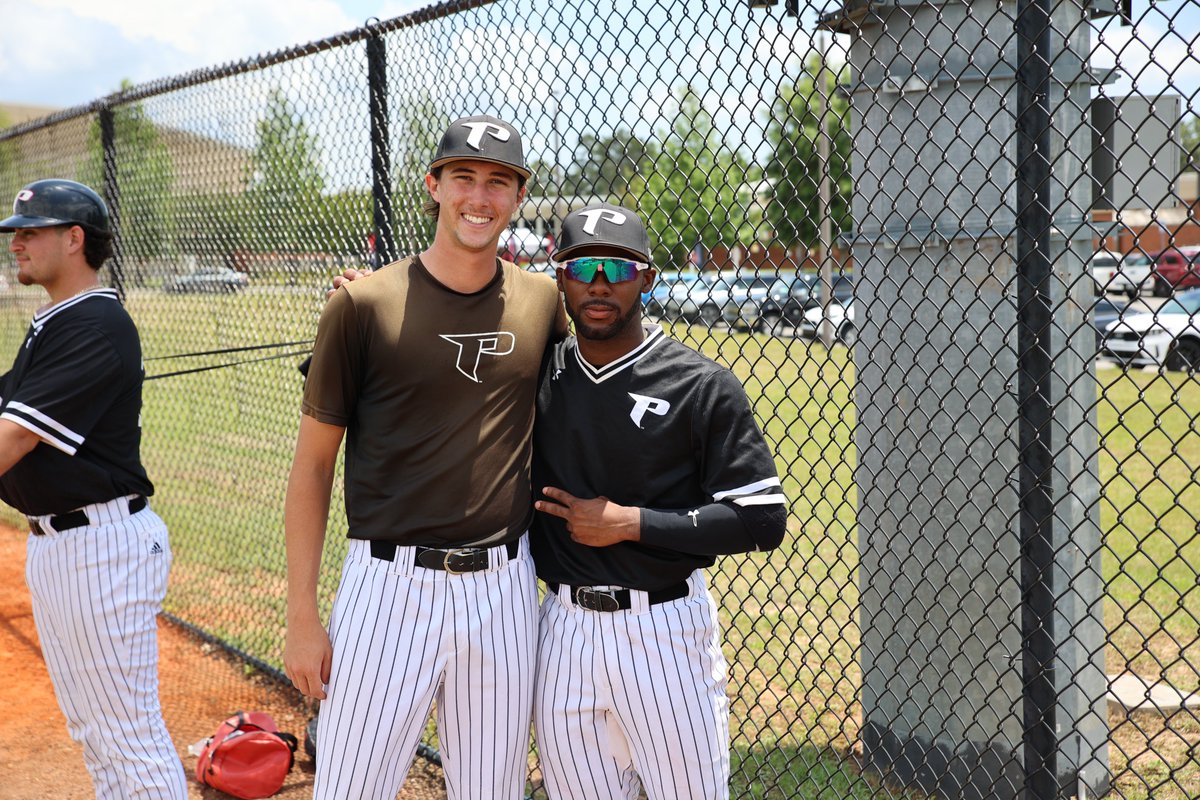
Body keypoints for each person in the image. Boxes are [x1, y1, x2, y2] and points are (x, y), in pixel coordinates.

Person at [283, 114, 566, 799]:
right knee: (350, 788)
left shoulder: (543, 303)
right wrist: (301, 615)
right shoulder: (363, 303)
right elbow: (314, 466)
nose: (480, 197)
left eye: (500, 182)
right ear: (433, 185)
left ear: (519, 197)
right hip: (389, 586)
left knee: (490, 790)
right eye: (463, 177)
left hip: (501, 587)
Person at [531, 203, 787, 799]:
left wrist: (631, 524)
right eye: (582, 268)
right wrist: (369, 295)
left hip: (663, 631)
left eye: (617, 271)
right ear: (560, 277)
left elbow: (761, 519)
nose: (598, 285)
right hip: (563, 630)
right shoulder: (538, 375)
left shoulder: (700, 385)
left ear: (647, 277)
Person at [0, 179, 187, 797]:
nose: (16, 243)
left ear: (74, 239)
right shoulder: (58, 322)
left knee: (126, 739)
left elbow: (12, 440)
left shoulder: (94, 323)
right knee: (97, 732)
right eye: (15, 233)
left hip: (98, 549)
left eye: (31, 231)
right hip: (70, 547)